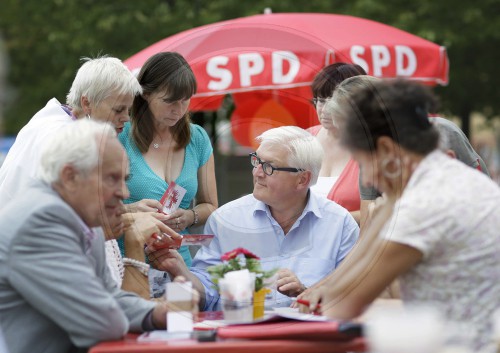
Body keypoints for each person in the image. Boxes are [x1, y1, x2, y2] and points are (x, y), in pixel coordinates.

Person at [302, 79, 500, 352]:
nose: (367, 178)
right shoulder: (447, 177)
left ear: (385, 150)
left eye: (362, 162)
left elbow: (340, 304)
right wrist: (393, 201)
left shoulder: (422, 205)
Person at [0, 120, 192, 353]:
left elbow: (111, 298)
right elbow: (104, 322)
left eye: (125, 178)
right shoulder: (40, 221)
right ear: (70, 176)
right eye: (112, 178)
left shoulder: (81, 218)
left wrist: (157, 313)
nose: (125, 192)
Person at [146, 126, 359, 310]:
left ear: (303, 179)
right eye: (256, 161)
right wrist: (179, 270)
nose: (257, 172)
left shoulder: (340, 224)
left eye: (269, 167)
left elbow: (354, 297)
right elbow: (207, 295)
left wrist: (307, 294)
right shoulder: (225, 220)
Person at [0, 55, 167, 288]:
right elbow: (71, 222)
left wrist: (130, 212)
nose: (125, 119)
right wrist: (133, 221)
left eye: (128, 110)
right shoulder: (64, 142)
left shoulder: (52, 122)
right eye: (119, 109)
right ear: (87, 103)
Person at [118, 52, 218, 297]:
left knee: (183, 327)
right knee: (138, 330)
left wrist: (189, 216)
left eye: (185, 101)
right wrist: (133, 210)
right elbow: (95, 209)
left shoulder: (197, 139)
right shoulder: (120, 136)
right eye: (170, 101)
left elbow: (211, 206)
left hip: (178, 266)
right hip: (129, 264)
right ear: (146, 94)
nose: (179, 109)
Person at [308, 63, 366, 224]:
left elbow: (389, 210)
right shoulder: (302, 140)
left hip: (358, 245)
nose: (325, 109)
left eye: (334, 100)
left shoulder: (374, 146)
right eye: (320, 100)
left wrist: (331, 221)